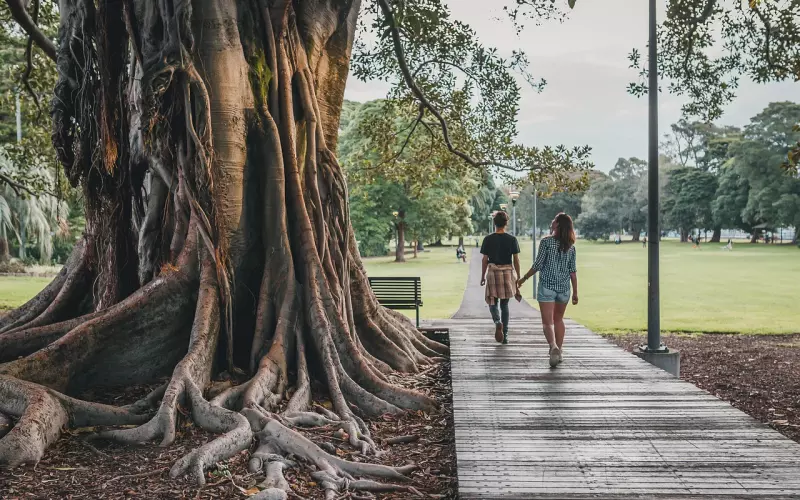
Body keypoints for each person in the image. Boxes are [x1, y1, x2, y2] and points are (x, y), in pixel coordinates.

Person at [517, 213, 578, 368]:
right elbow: (573, 272)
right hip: (564, 288)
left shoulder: (546, 242)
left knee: (547, 322)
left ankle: (553, 347)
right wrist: (575, 292)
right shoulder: (571, 246)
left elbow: (537, 265)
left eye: (554, 220)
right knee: (558, 319)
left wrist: (523, 279)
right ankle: (560, 351)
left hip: (547, 287)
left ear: (557, 225)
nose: (552, 221)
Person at [480, 211, 522, 344]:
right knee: (505, 304)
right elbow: (516, 260)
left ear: (494, 223)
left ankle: (498, 322)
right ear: (506, 223)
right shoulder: (512, 239)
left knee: (492, 302)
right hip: (507, 273)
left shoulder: (488, 239)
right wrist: (518, 277)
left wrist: (482, 276)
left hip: (493, 273)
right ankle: (506, 334)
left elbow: (484, 260)